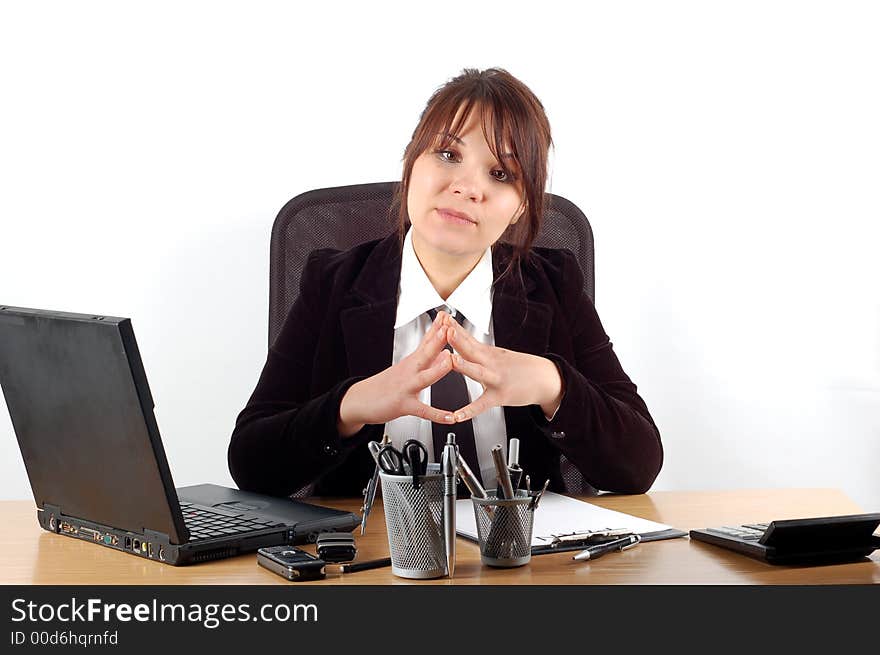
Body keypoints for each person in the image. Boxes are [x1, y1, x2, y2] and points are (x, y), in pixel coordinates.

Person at [228, 67, 663, 498]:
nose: (468, 187)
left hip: (515, 557)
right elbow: (251, 462)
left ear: (519, 207)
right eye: (448, 155)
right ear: (410, 164)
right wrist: (351, 406)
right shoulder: (332, 282)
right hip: (376, 559)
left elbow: (638, 465)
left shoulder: (554, 284)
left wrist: (552, 385)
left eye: (500, 174)